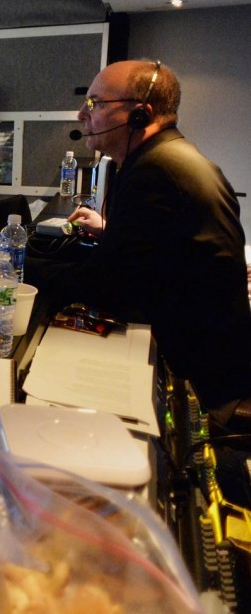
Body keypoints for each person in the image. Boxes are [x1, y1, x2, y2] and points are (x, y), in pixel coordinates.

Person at [54, 60, 251, 429]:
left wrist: (20, 272)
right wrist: (111, 231)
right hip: (219, 358)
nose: (82, 113)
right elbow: (162, 254)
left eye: (95, 103)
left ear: (140, 116)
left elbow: (106, 286)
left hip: (202, 384)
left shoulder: (154, 171)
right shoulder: (171, 157)